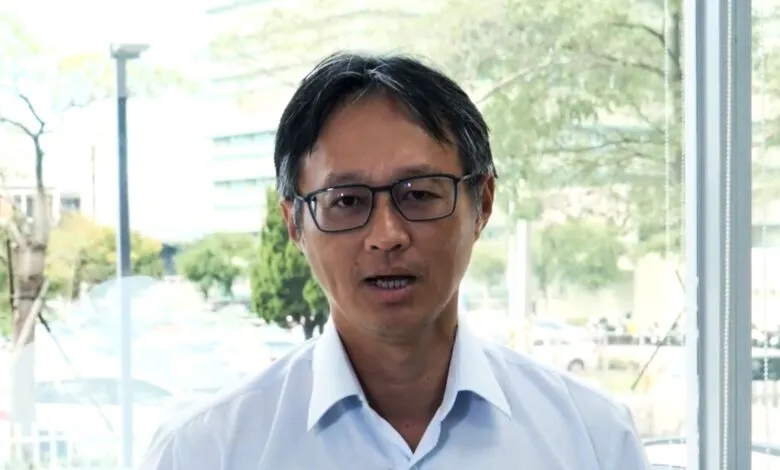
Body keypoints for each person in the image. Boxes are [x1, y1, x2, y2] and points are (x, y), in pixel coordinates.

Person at [139, 52, 650, 470]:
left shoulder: (593, 439)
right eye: (347, 201)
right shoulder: (204, 452)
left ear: (483, 204)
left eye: (420, 194)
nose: (387, 235)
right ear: (294, 223)